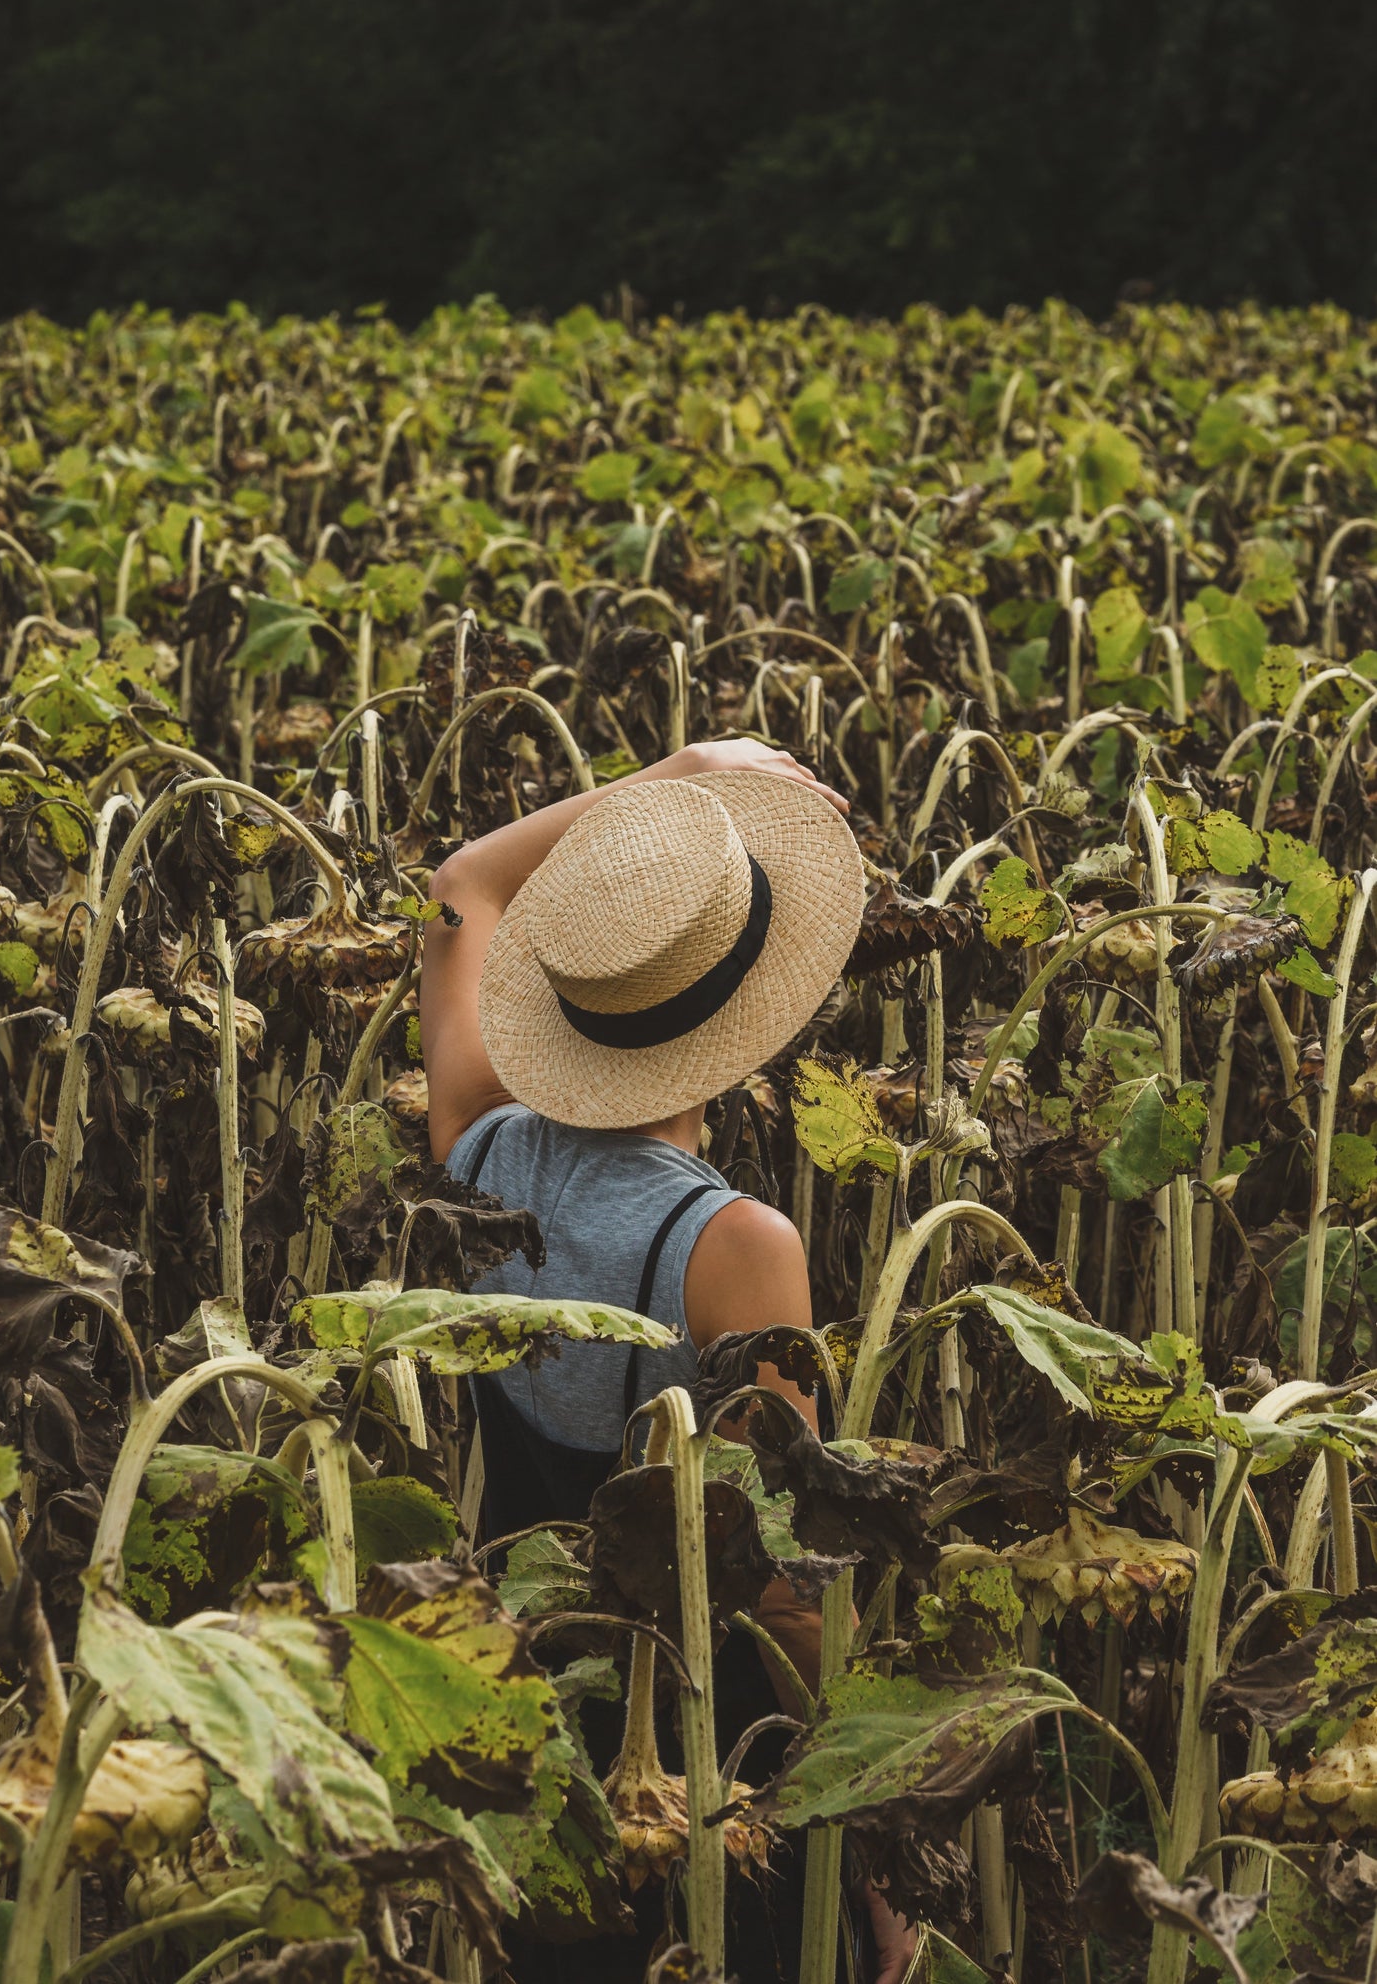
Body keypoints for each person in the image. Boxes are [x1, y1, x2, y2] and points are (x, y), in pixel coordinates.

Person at [422, 738, 911, 1984]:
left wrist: (670, 774)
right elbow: (782, 1587)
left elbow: (464, 881)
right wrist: (871, 1855)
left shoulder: (472, 1144)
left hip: (524, 1719)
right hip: (699, 1757)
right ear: (748, 1023)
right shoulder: (734, 1245)